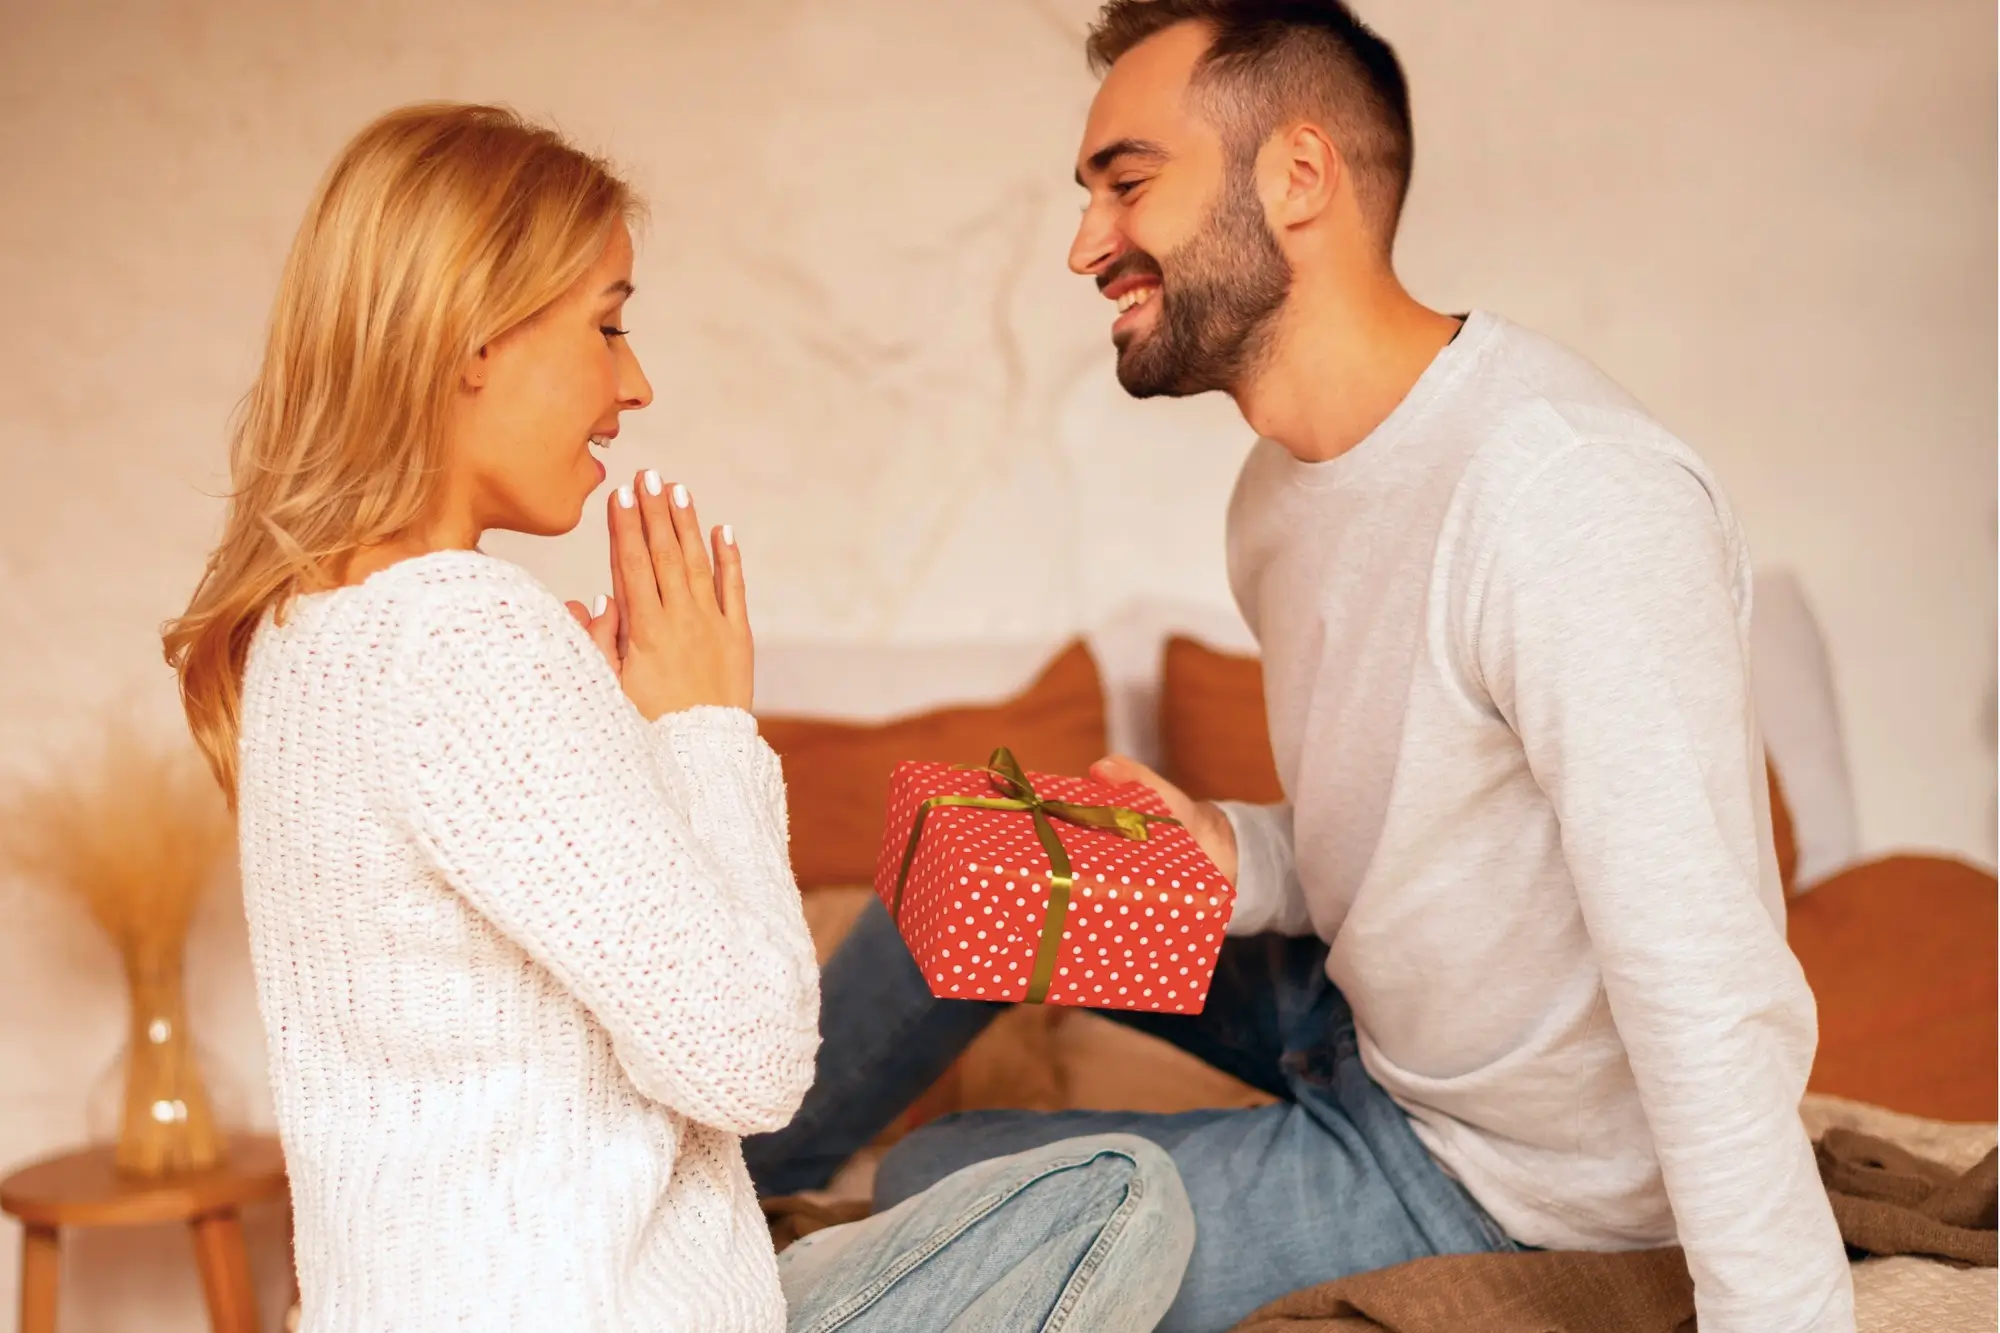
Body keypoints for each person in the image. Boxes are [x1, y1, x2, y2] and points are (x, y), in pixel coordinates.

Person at [744, 4, 1855, 1331]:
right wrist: (1238, 850)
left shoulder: (1569, 497)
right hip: (1359, 1008)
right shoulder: (1274, 501)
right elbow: (1429, 822)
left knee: (937, 1180)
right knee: (979, 856)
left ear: (1299, 176)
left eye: (1128, 183)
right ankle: (717, 1179)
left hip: (1491, 1170)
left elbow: (1703, 976)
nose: (1086, 244)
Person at [162, 102, 1192, 1333]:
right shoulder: (463, 633)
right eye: (606, 324)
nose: (633, 382)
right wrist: (705, 725)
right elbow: (753, 1064)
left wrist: (615, 737)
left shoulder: (302, 636)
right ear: (472, 337)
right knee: (1125, 1194)